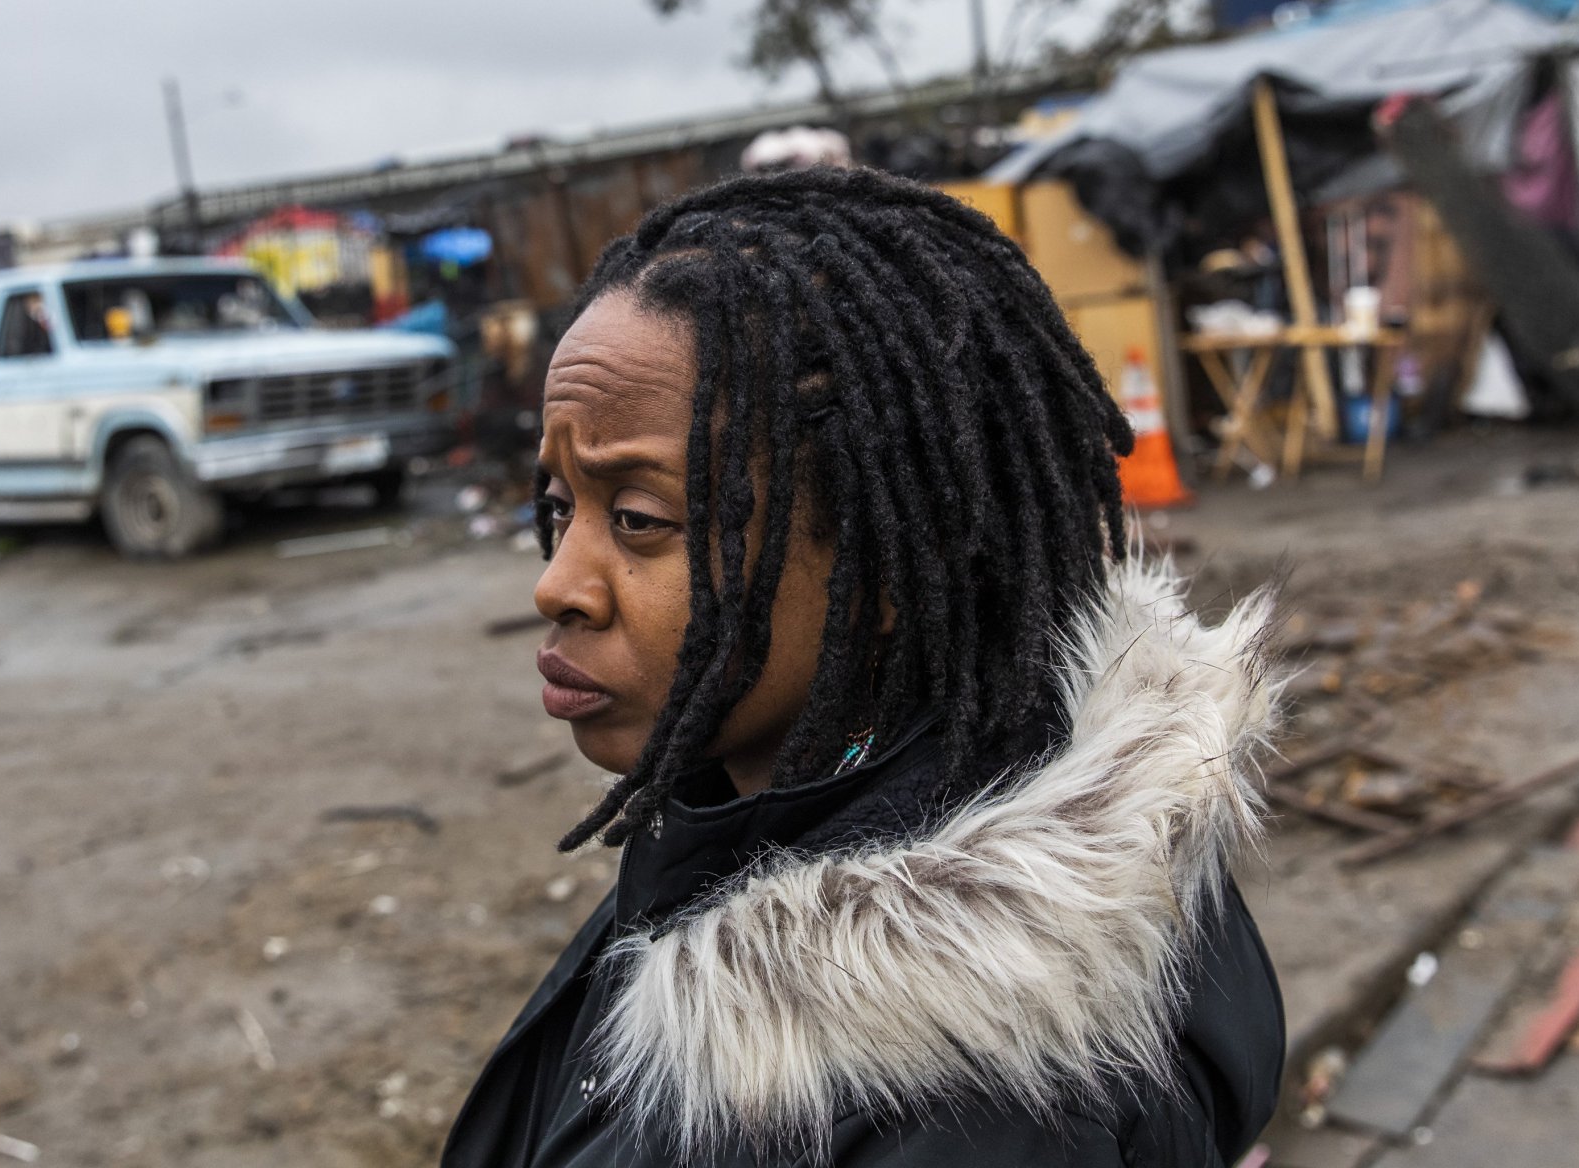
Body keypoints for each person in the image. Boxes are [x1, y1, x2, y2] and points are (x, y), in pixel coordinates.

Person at [445, 167, 1284, 1167]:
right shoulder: (753, 797)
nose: (559, 585)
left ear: (886, 569)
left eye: (638, 519)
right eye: (557, 506)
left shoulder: (975, 1117)